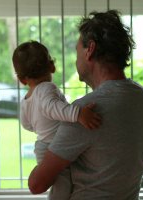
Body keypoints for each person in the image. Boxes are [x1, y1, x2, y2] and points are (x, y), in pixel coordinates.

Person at [28, 10, 143, 200]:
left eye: (77, 50)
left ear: (90, 49)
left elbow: (37, 184)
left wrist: (43, 149)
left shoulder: (85, 112)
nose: (76, 59)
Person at [12, 41, 101, 200]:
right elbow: (52, 107)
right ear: (52, 66)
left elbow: (26, 124)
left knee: (61, 183)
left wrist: (41, 125)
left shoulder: (26, 99)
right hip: (53, 146)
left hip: (42, 144)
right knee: (63, 184)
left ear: (21, 79)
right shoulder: (46, 88)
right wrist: (78, 114)